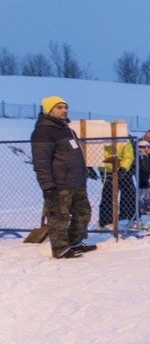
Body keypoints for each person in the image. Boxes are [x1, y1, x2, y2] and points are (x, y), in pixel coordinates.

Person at [30, 96, 96, 258]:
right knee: (59, 217)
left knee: (83, 213)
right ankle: (60, 249)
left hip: (77, 182)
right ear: (49, 110)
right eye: (59, 107)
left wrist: (86, 170)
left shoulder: (67, 129)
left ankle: (74, 242)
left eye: (65, 107)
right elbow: (41, 163)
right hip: (59, 185)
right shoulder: (43, 132)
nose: (64, 110)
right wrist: (48, 186)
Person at [98, 140, 137, 228]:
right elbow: (96, 154)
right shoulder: (102, 140)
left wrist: (123, 168)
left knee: (130, 194)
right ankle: (106, 222)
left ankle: (134, 219)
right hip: (107, 171)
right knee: (108, 196)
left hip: (123, 172)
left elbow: (128, 156)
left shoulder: (126, 141)